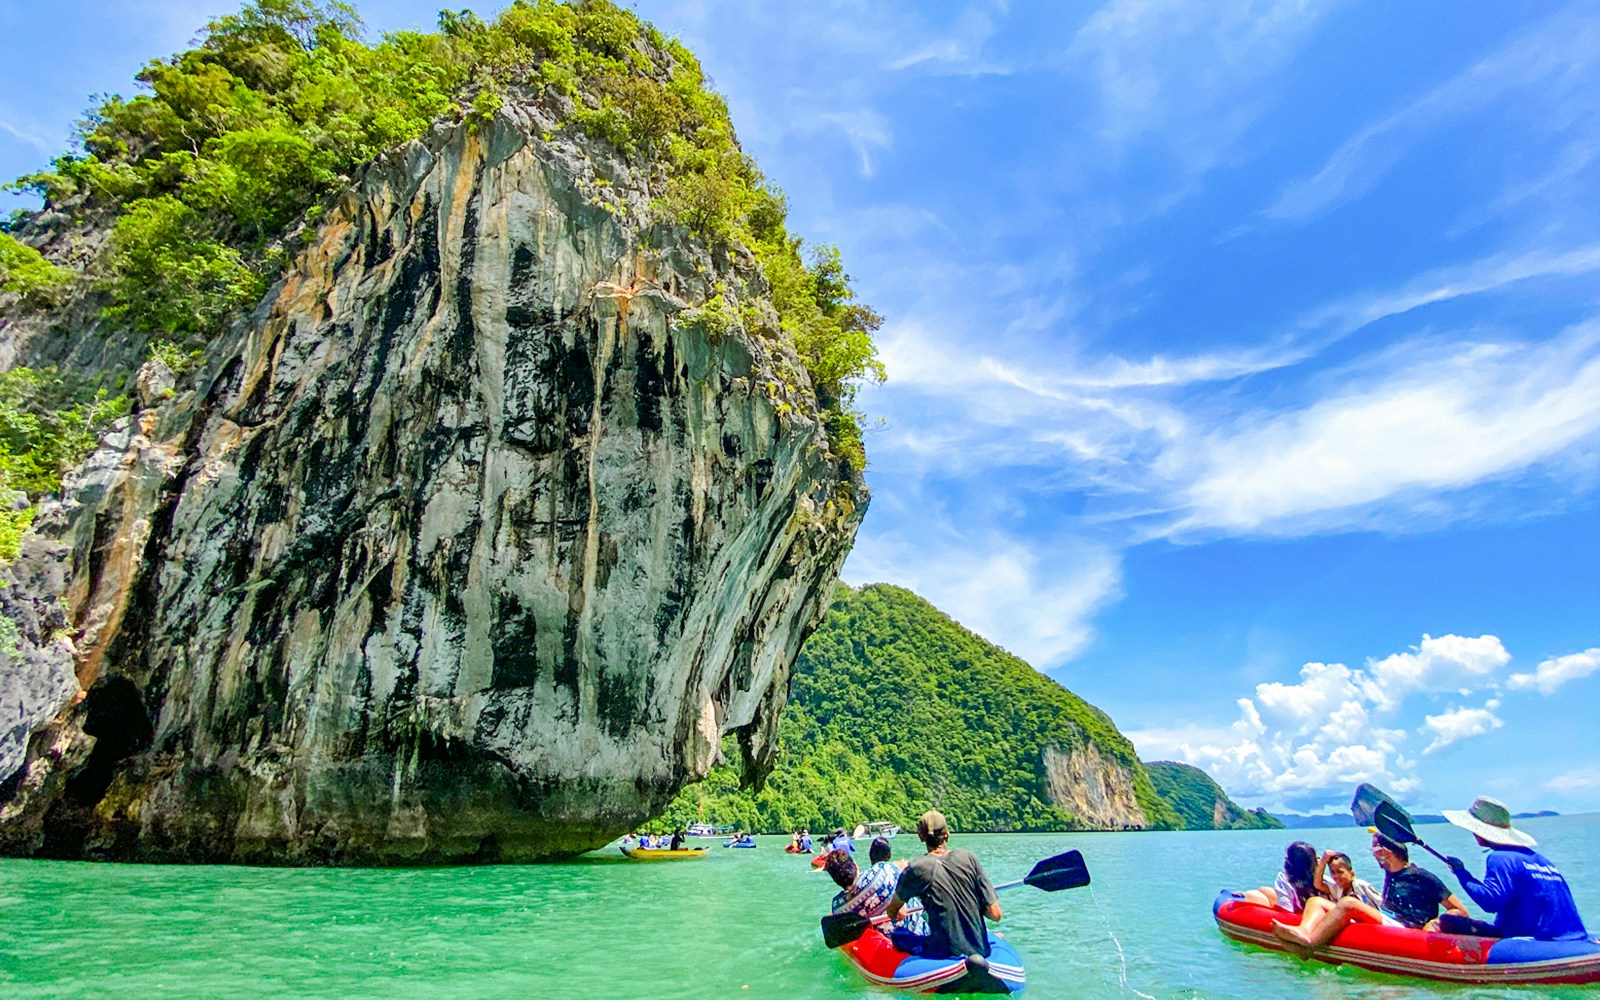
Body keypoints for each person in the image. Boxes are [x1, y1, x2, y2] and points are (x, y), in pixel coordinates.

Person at [1273, 832, 1469, 954]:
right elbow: (1320, 882)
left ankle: (1309, 946)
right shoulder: (1391, 873)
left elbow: (1460, 911)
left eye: (1375, 849)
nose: (1372, 853)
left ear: (1386, 852)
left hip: (1406, 929)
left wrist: (1432, 925)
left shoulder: (1422, 876)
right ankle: (1305, 931)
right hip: (1387, 919)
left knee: (1349, 903)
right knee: (1315, 900)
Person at [1438, 796, 1588, 941]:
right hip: (1570, 934)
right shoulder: (1539, 859)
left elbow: (1490, 902)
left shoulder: (1500, 857)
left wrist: (1462, 874)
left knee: (1447, 920)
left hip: (1534, 938)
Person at [885, 810, 1000, 959]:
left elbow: (891, 912)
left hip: (943, 953)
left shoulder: (915, 868)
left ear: (921, 836)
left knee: (899, 935)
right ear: (947, 835)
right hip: (980, 949)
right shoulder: (969, 858)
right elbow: (996, 914)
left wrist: (900, 908)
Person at [1242, 841, 1323, 913]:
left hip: (1295, 913)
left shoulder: (1284, 878)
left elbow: (1285, 909)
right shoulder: (1320, 880)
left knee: (1251, 894)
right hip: (1304, 907)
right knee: (1263, 889)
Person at [1314, 850, 1383, 909]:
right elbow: (1318, 884)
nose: (1336, 876)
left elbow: (1380, 902)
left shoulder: (1361, 885)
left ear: (1352, 874)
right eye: (1333, 872)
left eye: (1340, 872)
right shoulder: (1337, 889)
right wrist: (1323, 861)